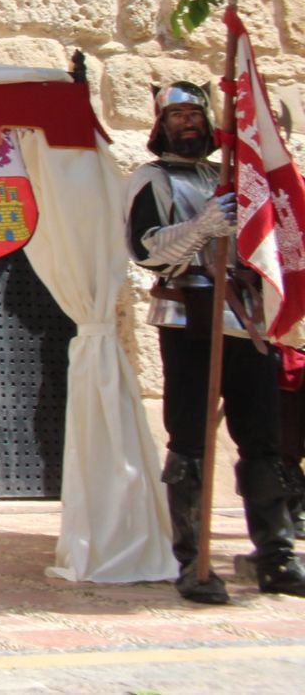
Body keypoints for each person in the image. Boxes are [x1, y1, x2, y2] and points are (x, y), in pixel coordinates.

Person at [126, 81, 305, 603]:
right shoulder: (152, 178)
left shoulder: (234, 175)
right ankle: (194, 562)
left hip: (247, 320)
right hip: (190, 317)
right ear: (162, 124)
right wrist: (203, 224)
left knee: (264, 442)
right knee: (189, 445)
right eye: (177, 114)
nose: (189, 123)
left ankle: (275, 556)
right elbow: (145, 248)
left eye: (195, 113)